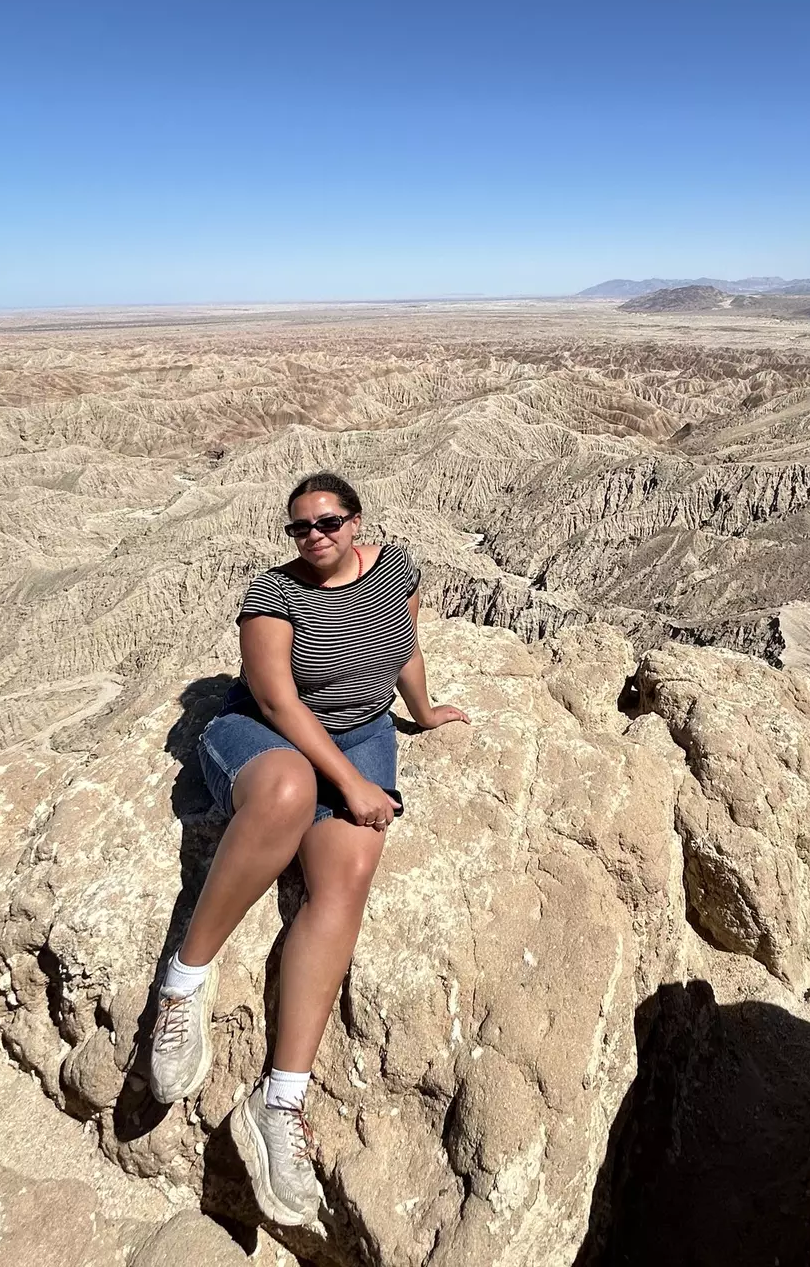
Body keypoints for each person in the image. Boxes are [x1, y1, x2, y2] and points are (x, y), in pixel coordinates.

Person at [147, 472, 468, 1227]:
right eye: (300, 528)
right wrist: (352, 782)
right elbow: (277, 702)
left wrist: (423, 712)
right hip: (263, 735)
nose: (314, 536)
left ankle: (278, 1102)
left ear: (357, 521)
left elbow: (405, 644)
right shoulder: (273, 597)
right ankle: (182, 985)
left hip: (364, 729)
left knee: (348, 873)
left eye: (328, 521)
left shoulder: (397, 569)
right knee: (290, 793)